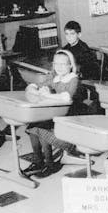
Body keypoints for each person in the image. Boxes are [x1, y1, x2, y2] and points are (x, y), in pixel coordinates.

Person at [24, 50, 85, 178]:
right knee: (32, 127)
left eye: (63, 64)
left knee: (42, 129)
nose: (59, 67)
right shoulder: (54, 78)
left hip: (69, 117)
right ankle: (38, 160)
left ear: (70, 65)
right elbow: (38, 84)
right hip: (55, 114)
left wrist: (48, 95)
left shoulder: (73, 79)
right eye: (56, 64)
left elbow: (66, 97)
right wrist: (32, 87)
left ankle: (49, 162)